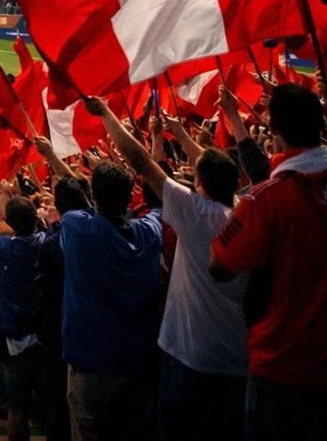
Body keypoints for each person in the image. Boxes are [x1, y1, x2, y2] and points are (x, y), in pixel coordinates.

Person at [86, 94, 247, 441]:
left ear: (199, 183)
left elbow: (141, 161)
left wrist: (106, 113)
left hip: (189, 359)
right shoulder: (247, 212)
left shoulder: (196, 214)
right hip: (238, 361)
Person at [211, 82, 327, 440]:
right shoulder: (281, 188)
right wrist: (233, 115)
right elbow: (263, 167)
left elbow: (220, 266)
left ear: (273, 129)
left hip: (280, 365)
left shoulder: (266, 200)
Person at [59, 158, 164, 441]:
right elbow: (161, 199)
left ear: (94, 196)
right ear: (131, 196)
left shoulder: (77, 228)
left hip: (92, 369)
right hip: (138, 368)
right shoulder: (151, 233)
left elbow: (73, 199)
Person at [0, 185, 45, 441]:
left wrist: (6, 194)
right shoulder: (50, 244)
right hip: (45, 334)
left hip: (14, 337)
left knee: (17, 409)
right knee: (51, 403)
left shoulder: (0, 248)